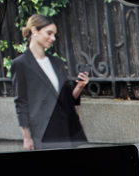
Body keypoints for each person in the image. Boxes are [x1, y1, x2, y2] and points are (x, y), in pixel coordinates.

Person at [11, 14, 89, 150]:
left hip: (65, 130)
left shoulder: (57, 63)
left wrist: (80, 86)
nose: (53, 38)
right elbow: (21, 103)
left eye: (54, 34)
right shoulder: (20, 64)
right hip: (43, 133)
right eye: (49, 33)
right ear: (34, 30)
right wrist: (26, 137)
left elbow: (67, 100)